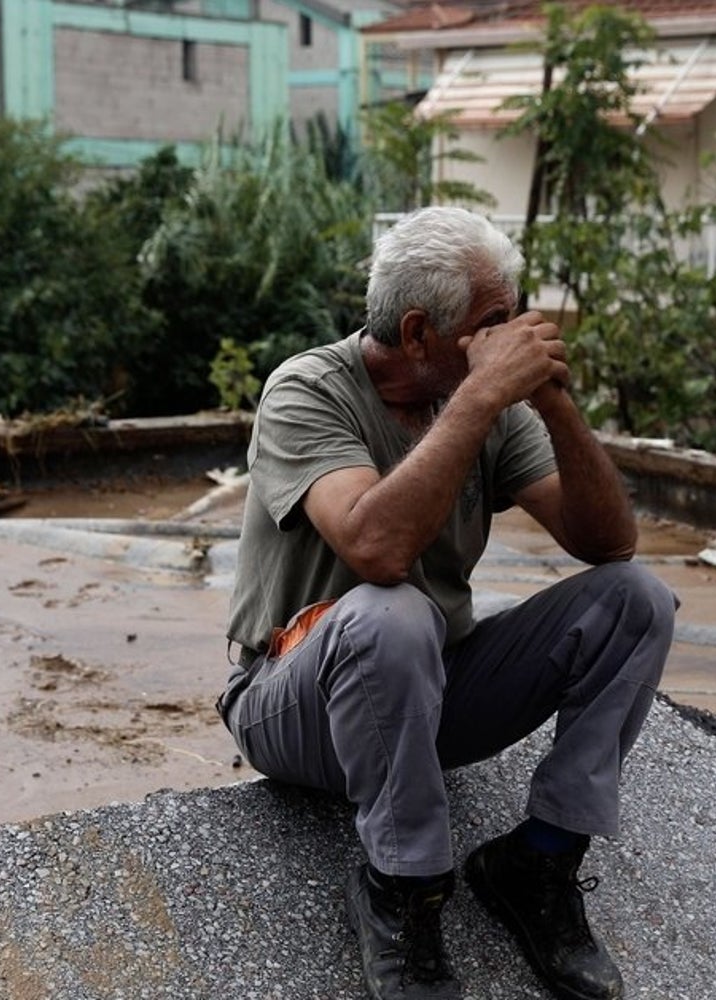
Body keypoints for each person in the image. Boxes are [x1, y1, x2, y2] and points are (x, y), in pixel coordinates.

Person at [220, 206, 675, 1000]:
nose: (514, 336)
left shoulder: (492, 402)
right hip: (290, 699)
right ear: (422, 331)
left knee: (637, 599)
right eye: (493, 322)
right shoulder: (307, 391)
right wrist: (477, 402)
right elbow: (376, 550)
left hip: (429, 689)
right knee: (392, 610)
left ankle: (536, 861)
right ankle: (405, 893)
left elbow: (607, 543)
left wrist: (554, 399)